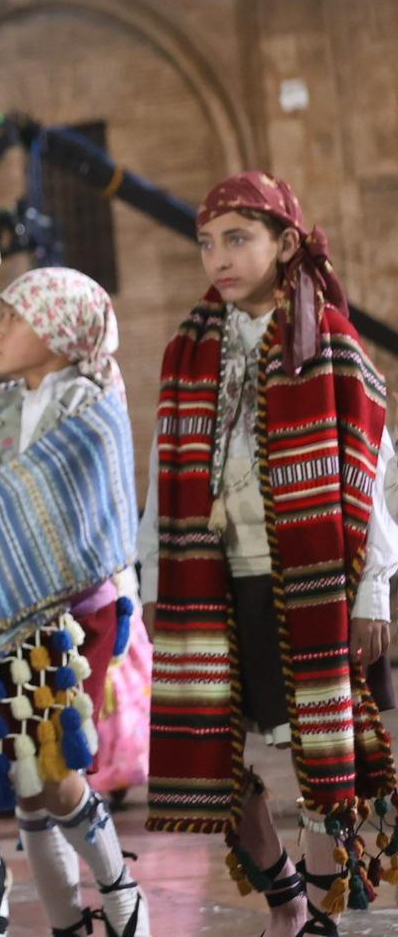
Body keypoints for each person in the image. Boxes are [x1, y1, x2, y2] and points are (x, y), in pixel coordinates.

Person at [142, 172, 398, 937]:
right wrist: (156, 576)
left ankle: (319, 910)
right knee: (213, 757)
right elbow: (167, 471)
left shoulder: (331, 345)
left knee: (322, 752)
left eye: (237, 238)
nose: (218, 256)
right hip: (215, 580)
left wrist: (375, 589)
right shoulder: (188, 351)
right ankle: (284, 892)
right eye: (207, 242)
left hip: (313, 580)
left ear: (286, 244)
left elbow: (373, 471)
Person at [0, 268, 149, 937]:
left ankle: (118, 885)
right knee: (26, 785)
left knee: (55, 771)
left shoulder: (94, 403)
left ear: (57, 329)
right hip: (0, 612)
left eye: (13, 318)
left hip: (79, 611)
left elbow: (86, 513)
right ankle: (66, 924)